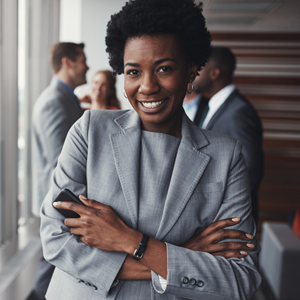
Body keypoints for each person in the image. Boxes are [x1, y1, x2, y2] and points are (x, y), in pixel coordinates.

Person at [40, 1, 261, 299]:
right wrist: (182, 255)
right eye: (133, 72)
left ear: (191, 71)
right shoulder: (90, 131)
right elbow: (56, 240)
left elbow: (240, 278)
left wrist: (130, 240)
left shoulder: (226, 157)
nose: (147, 86)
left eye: (164, 69)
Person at [31, 42, 89, 300]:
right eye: (82, 60)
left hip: (63, 203)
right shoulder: (54, 101)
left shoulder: (64, 98)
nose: (86, 66)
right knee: (51, 267)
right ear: (67, 62)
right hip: (60, 204)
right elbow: (60, 163)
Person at [192, 46, 264, 224]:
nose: (194, 73)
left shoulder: (238, 112)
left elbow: (250, 168)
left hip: (229, 219)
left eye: (200, 69)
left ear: (214, 73)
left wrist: (224, 211)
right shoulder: (213, 106)